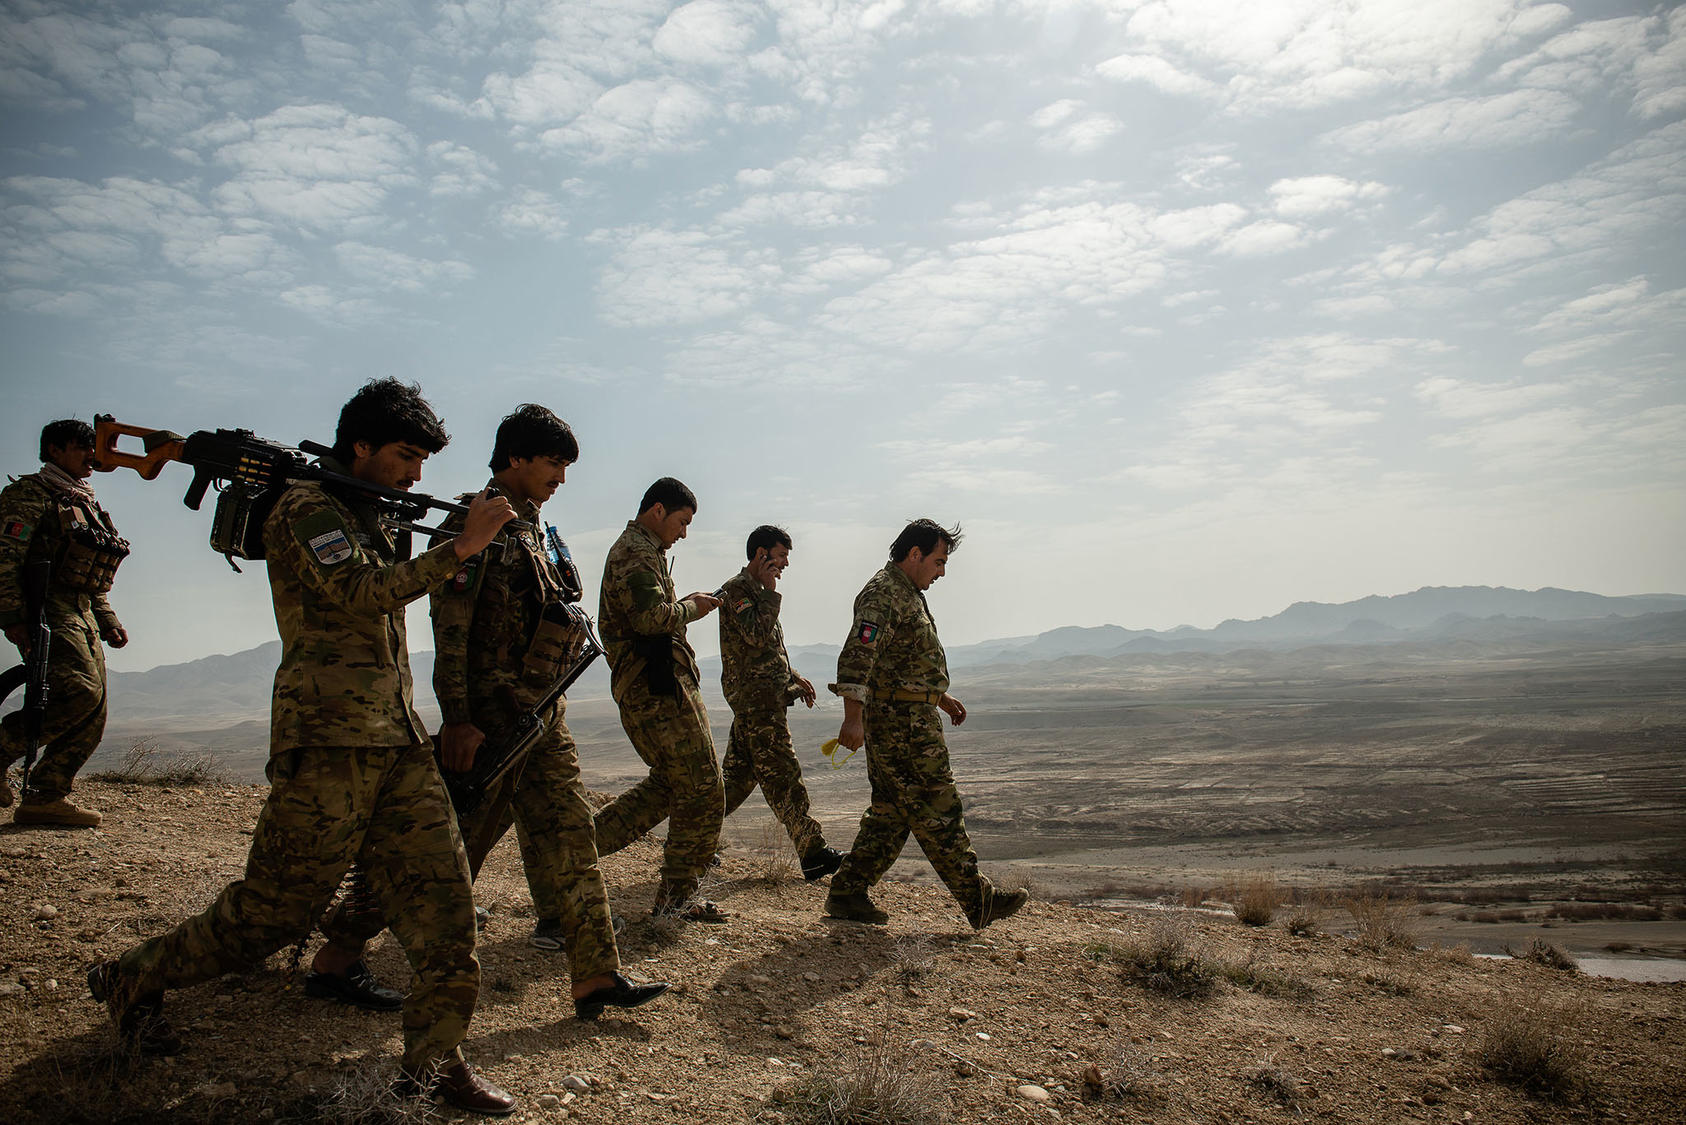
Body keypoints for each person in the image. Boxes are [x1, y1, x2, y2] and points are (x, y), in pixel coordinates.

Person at [86, 379, 520, 1116]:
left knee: (445, 904)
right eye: (404, 456)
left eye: (421, 459)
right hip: (327, 743)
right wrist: (461, 547)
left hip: (395, 741)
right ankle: (133, 977)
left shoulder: (365, 510)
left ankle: (433, 1062)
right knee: (272, 912)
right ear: (360, 446)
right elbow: (359, 592)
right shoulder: (303, 508)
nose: (416, 473)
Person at [308, 404, 667, 1021]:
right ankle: (337, 956)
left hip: (539, 715)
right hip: (491, 724)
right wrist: (457, 718)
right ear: (516, 459)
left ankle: (596, 975)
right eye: (553, 463)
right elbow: (450, 628)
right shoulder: (471, 523)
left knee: (571, 836)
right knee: (448, 852)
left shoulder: (534, 529)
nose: (561, 477)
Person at [823, 519, 1027, 930]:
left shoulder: (906, 593)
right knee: (939, 806)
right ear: (914, 555)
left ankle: (848, 892)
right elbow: (857, 657)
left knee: (892, 813)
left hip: (911, 715)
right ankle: (978, 899)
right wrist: (852, 719)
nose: (942, 572)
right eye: (938, 561)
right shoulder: (884, 593)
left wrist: (938, 696)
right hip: (902, 727)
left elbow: (901, 663)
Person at [591, 478, 728, 922]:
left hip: (658, 683)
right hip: (654, 687)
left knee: (672, 785)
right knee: (704, 788)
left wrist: (683, 604)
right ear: (657, 511)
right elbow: (651, 620)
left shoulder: (644, 551)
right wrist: (693, 608)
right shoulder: (635, 552)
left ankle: (568, 860)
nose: (684, 533)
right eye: (682, 522)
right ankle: (676, 901)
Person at [0, 418, 130, 826]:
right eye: (80, 447)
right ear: (54, 451)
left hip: (82, 611)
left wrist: (106, 618)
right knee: (79, 694)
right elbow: (5, 558)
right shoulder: (29, 495)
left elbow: (89, 569)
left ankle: (44, 796)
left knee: (95, 709)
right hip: (49, 608)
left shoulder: (82, 500)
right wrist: (13, 616)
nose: (91, 456)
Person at [716, 525, 842, 881]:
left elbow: (767, 649)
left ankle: (693, 839)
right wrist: (771, 594)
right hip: (756, 703)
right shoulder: (736, 590)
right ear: (761, 554)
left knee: (735, 782)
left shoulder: (756, 590)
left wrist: (792, 677)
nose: (785, 564)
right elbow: (755, 634)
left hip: (764, 697)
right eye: (781, 556)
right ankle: (813, 852)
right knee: (784, 776)